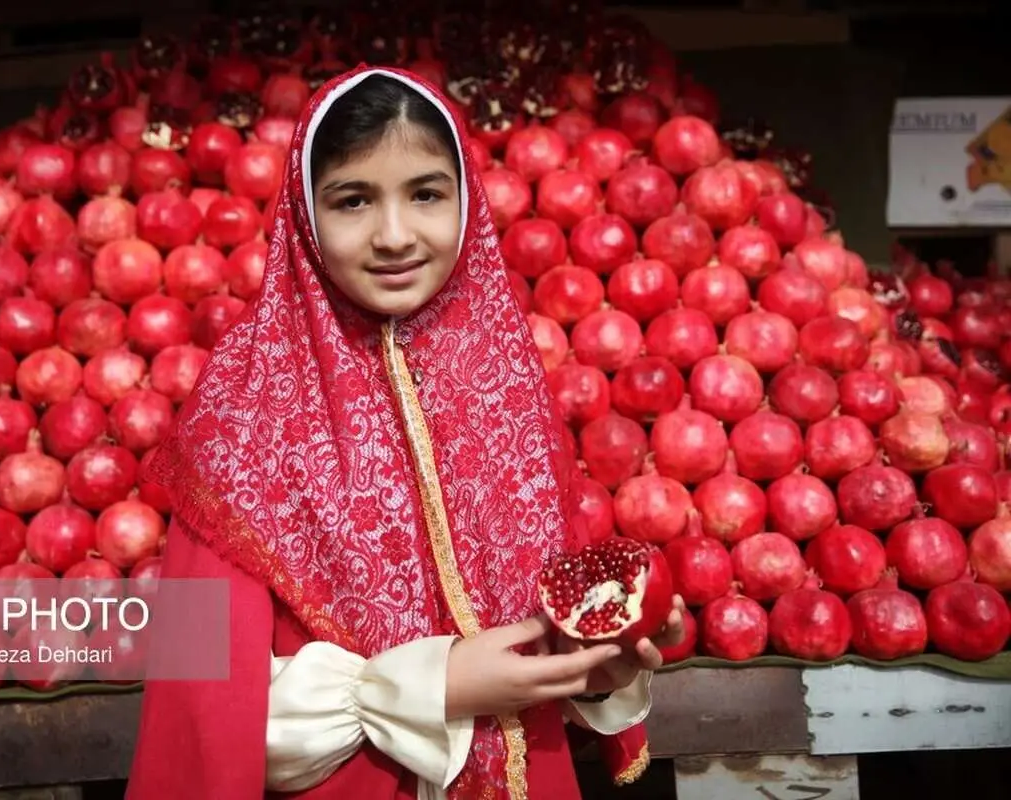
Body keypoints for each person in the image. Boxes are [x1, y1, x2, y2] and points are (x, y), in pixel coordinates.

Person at [126, 64, 686, 800]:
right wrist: (434, 686)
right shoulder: (238, 417)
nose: (394, 236)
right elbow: (199, 713)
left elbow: (533, 660)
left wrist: (592, 666)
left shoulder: (504, 388)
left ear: (468, 202)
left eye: (425, 193)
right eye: (353, 200)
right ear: (302, 213)